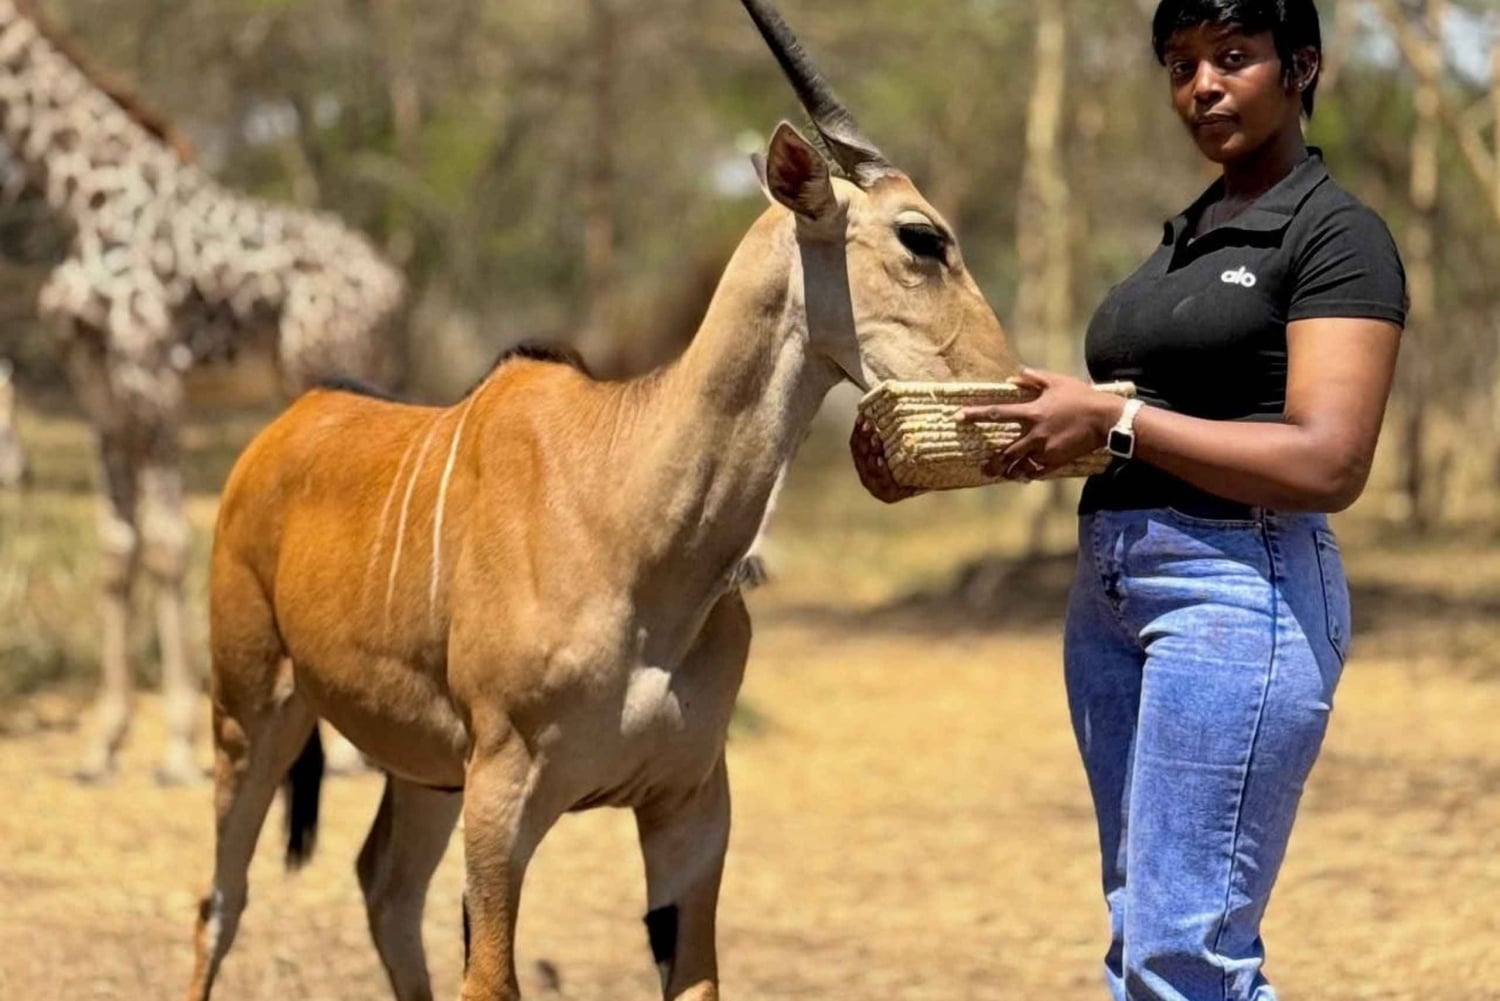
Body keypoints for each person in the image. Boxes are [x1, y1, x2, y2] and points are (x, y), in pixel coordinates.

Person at [851, 1, 1405, 998]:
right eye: (1183, 63)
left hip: (1239, 591)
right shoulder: (1189, 236)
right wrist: (968, 439)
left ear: (1302, 67)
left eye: (1234, 58)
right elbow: (1121, 422)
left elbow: (1330, 461)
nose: (1203, 86)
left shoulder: (1335, 235)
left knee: (1183, 948)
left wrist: (1113, 422)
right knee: (1141, 925)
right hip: (1112, 597)